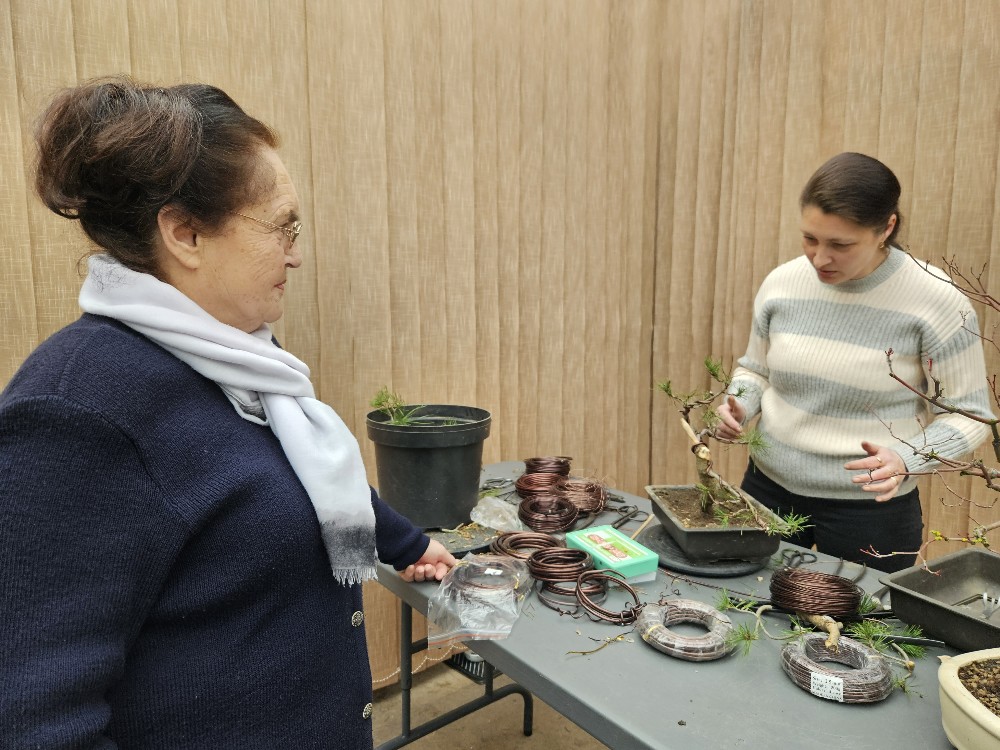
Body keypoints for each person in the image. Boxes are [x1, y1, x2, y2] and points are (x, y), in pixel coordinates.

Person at [0, 76, 456, 749]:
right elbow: (31, 716)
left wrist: (409, 545)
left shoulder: (238, 360)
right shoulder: (78, 412)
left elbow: (302, 477)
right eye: (281, 227)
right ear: (185, 233)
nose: (295, 254)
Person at [716, 152, 992, 573]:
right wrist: (740, 403)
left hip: (871, 513)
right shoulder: (782, 283)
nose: (819, 258)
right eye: (810, 239)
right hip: (765, 492)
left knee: (861, 616)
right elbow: (755, 369)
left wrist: (907, 457)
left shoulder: (936, 301)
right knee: (745, 603)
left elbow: (971, 414)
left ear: (887, 228)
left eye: (840, 245)